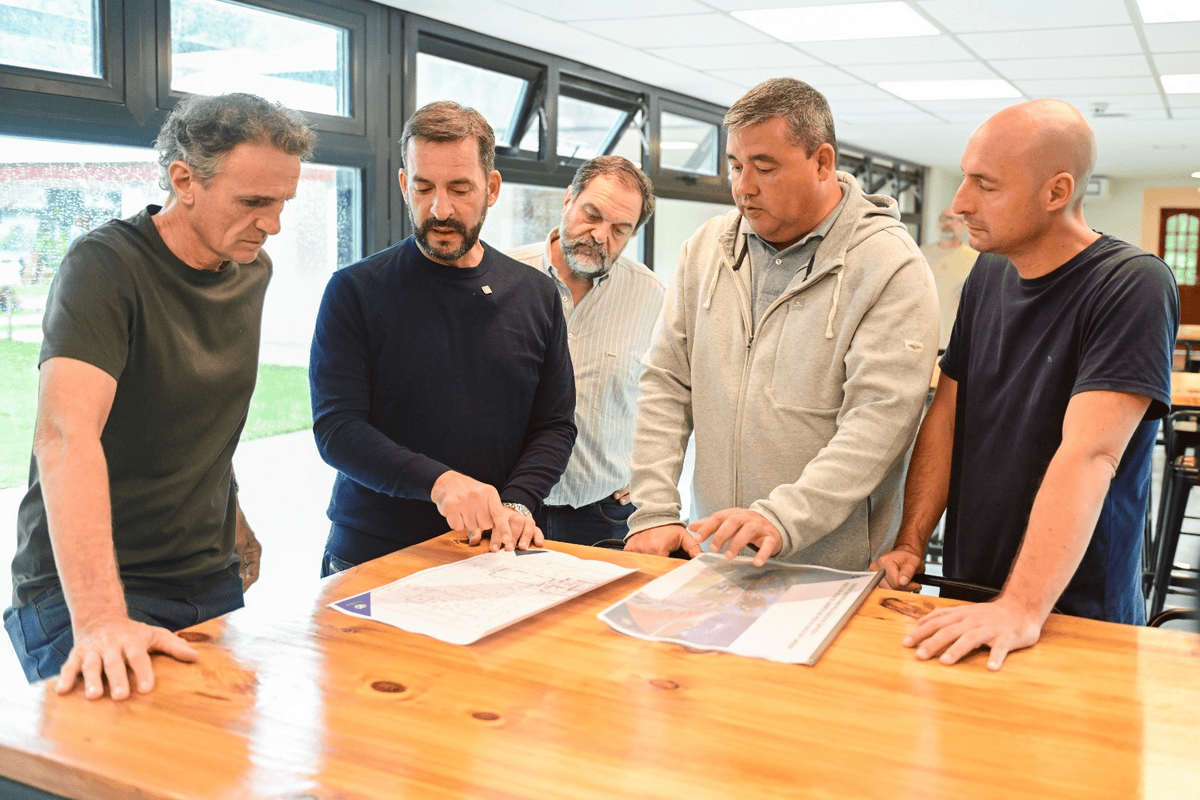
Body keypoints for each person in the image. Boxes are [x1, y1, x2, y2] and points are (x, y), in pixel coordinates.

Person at [4, 93, 315, 699]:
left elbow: (194, 416)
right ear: (184, 179)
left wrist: (232, 517)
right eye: (253, 202)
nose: (273, 223)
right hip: (89, 594)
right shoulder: (106, 265)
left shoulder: (252, 269)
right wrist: (99, 621)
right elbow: (65, 436)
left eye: (282, 203)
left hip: (206, 576)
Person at [872, 99, 1178, 670]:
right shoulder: (989, 272)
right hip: (975, 597)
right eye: (964, 177)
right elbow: (948, 412)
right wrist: (912, 541)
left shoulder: (1132, 284)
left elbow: (1091, 454)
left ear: (1057, 192)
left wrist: (1021, 605)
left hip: (1071, 614)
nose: (960, 202)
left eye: (986, 184)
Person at [624, 78, 938, 569]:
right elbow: (666, 383)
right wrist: (655, 510)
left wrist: (783, 518)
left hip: (830, 566)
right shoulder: (706, 249)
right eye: (734, 166)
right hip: (720, 553)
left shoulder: (889, 266)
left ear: (822, 162)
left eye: (764, 168)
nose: (743, 187)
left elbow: (878, 421)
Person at [310, 101, 576, 575]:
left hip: (494, 549)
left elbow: (554, 424)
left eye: (459, 188)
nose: (440, 209)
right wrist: (440, 482)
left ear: (491, 188)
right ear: (402, 185)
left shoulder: (535, 293)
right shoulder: (354, 291)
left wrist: (517, 504)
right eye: (423, 187)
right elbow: (338, 431)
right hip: (372, 552)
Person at [507, 156, 664, 545]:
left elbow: (673, 397)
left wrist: (655, 478)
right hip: (509, 506)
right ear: (568, 200)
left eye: (619, 230)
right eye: (591, 214)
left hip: (605, 515)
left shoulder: (652, 297)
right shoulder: (504, 276)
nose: (599, 235)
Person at [920, 207, 978, 350]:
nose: (948, 223)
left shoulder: (974, 259)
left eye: (955, 219)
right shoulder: (922, 253)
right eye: (944, 218)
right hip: (923, 339)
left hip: (956, 341)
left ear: (964, 225)